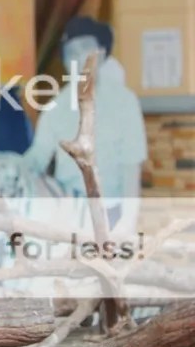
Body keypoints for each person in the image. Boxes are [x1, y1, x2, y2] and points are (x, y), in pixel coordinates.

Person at [23, 16, 147, 234]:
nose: (80, 58)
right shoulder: (55, 109)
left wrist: (128, 222)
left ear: (102, 53)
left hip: (112, 213)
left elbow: (131, 168)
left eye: (86, 49)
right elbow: (37, 159)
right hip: (66, 215)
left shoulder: (125, 102)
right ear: (65, 62)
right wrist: (8, 166)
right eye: (72, 53)